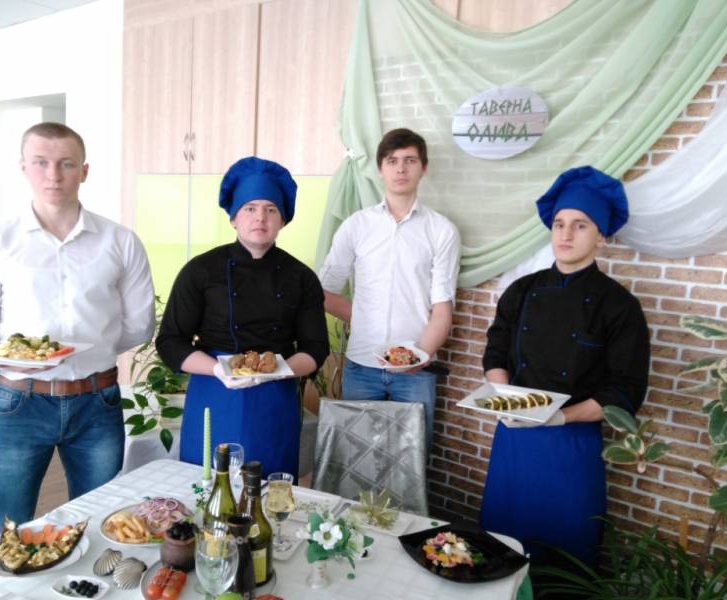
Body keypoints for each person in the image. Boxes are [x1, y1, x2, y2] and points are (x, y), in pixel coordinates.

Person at [0, 122, 156, 541]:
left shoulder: (120, 241)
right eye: (41, 163)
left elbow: (139, 324)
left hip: (97, 401)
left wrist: (89, 352)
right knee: (5, 530)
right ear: (23, 167)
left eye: (66, 164)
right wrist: (26, 361)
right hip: (18, 403)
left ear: (84, 171)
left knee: (100, 527)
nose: (53, 175)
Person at [479, 166, 650, 567]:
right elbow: (495, 353)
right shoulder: (522, 291)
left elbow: (624, 390)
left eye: (580, 225)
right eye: (559, 224)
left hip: (572, 444)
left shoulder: (619, 306)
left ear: (601, 237)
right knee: (501, 548)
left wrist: (560, 417)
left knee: (564, 556)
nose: (566, 234)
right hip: (514, 440)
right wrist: (504, 397)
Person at [156, 157, 329, 478]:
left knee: (270, 490)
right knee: (207, 487)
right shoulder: (201, 271)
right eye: (250, 208)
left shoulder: (301, 277)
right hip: (214, 393)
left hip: (275, 399)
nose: (260, 217)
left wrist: (281, 371)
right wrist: (217, 370)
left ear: (283, 220)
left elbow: (316, 347)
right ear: (234, 217)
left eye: (270, 209)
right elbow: (170, 341)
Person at [319, 128, 461, 447]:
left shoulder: (441, 230)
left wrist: (418, 356)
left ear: (424, 168)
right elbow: (323, 293)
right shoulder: (356, 226)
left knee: (412, 458)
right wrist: (363, 316)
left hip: (416, 372)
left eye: (410, 160)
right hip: (360, 365)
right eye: (392, 160)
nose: (401, 168)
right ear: (380, 168)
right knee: (356, 454)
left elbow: (442, 310)